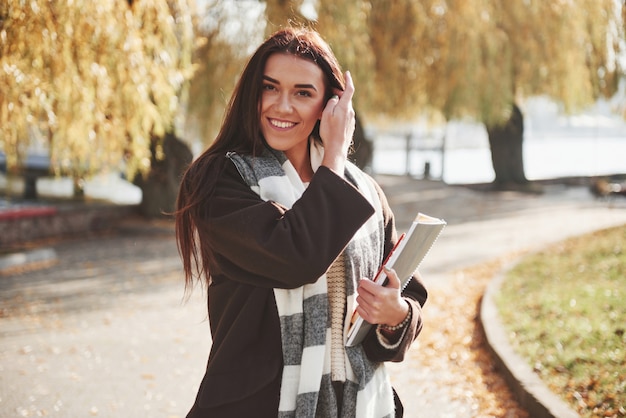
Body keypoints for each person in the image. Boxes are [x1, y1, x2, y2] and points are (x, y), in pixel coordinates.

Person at [175, 26, 428, 418]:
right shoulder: (219, 182)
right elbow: (294, 258)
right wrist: (334, 157)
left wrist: (396, 317)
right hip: (257, 406)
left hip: (359, 405)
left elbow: (407, 291)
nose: (282, 106)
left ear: (330, 105)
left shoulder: (365, 192)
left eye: (303, 93)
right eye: (269, 87)